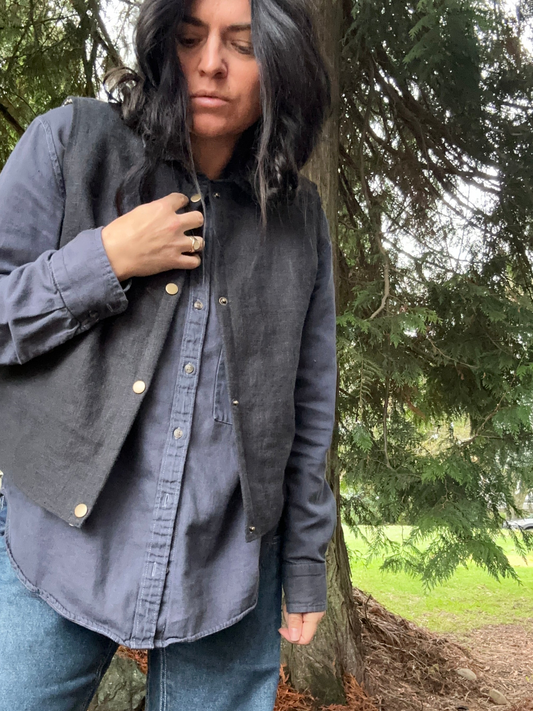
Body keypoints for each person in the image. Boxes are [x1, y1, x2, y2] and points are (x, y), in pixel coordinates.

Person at [0, 0, 337, 708]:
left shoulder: (300, 218)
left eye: (242, 45)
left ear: (281, 64)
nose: (209, 65)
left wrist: (305, 561)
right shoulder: (70, 143)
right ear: (162, 44)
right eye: (189, 38)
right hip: (52, 547)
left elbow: (308, 405)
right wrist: (104, 259)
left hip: (228, 570)